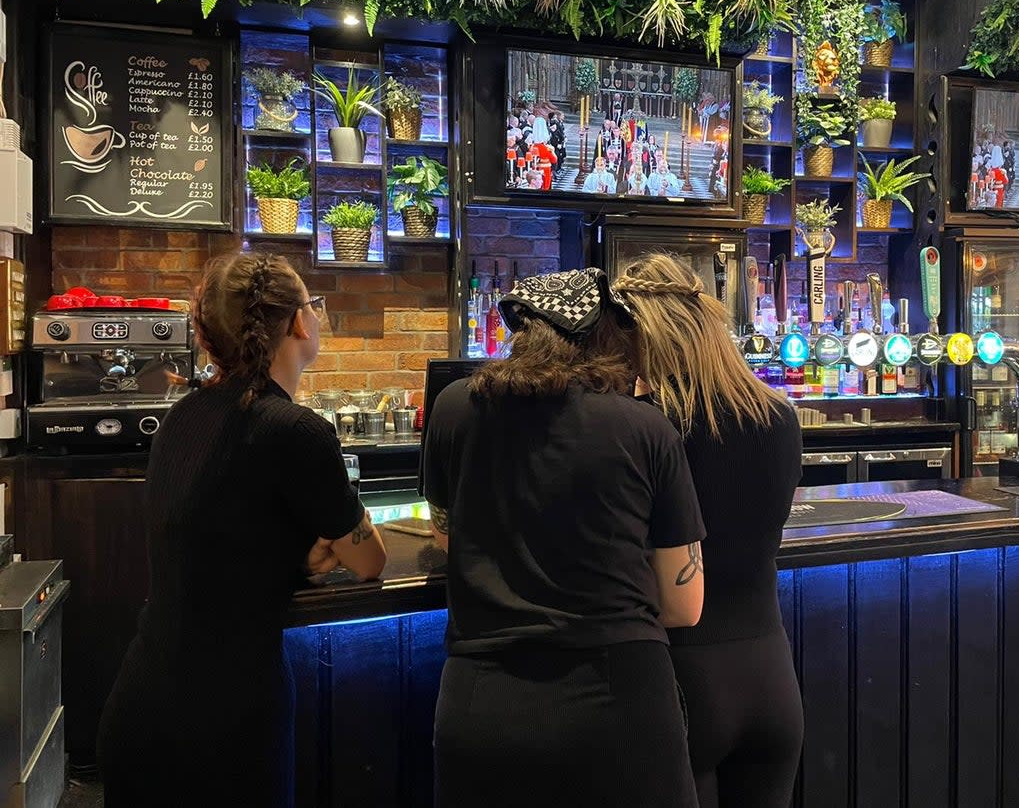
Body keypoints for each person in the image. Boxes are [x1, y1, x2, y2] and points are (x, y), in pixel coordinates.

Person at [97, 252, 387, 806]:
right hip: (223, 729)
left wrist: (291, 553)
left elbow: (218, 539)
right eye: (315, 305)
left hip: (141, 706)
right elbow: (369, 562)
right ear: (300, 322)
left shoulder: (182, 417)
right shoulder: (297, 430)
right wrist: (325, 538)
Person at [424, 268, 706, 808]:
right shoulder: (646, 428)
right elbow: (682, 603)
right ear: (605, 336)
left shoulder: (455, 407)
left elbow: (447, 536)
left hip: (482, 701)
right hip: (619, 700)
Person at [612, 254, 804, 808]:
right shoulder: (779, 415)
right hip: (770, 676)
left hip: (678, 678)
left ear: (642, 336)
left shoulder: (643, 426)